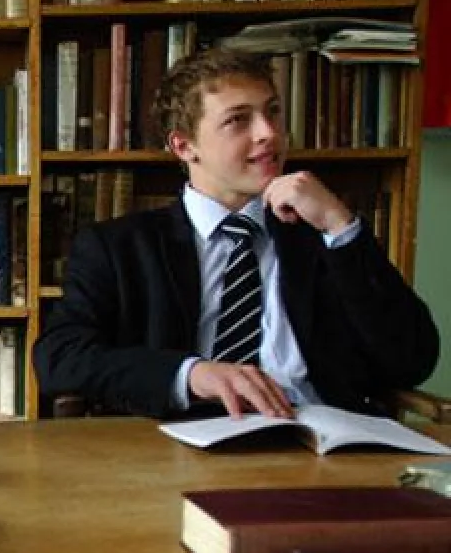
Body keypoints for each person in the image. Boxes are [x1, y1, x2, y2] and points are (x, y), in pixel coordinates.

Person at [34, 46, 439, 419]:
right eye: (237, 120)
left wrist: (341, 227)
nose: (268, 133)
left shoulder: (322, 236)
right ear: (184, 146)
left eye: (273, 112)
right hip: (178, 447)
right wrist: (191, 375)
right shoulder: (118, 247)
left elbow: (411, 360)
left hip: (319, 442)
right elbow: (60, 358)